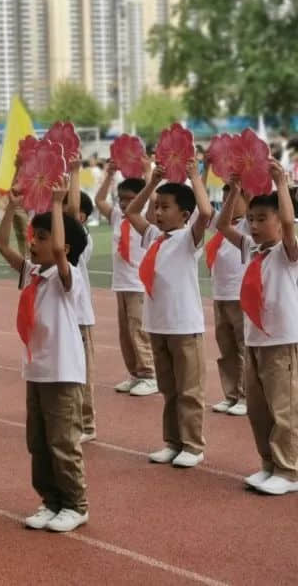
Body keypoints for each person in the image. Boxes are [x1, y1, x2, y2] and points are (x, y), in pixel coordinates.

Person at [0, 181, 89, 533]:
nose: (33, 242)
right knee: (38, 442)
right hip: (36, 371)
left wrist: (56, 204)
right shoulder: (33, 274)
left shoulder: (69, 278)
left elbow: (63, 256)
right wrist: (10, 209)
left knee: (63, 442)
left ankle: (76, 504)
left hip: (62, 373)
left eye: (42, 238)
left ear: (63, 245)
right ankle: (50, 500)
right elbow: (3, 244)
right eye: (34, 237)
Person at [125, 159, 212, 469]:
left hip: (184, 325)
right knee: (169, 389)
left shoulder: (189, 240)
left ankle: (193, 444)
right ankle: (173, 441)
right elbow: (132, 213)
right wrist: (151, 184)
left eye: (165, 207)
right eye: (157, 207)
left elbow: (206, 213)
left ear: (184, 215)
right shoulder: (153, 238)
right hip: (158, 325)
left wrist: (194, 178)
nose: (158, 213)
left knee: (189, 389)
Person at [217, 165, 298, 495]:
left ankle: (290, 469)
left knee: (284, 407)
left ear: (278, 220)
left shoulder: (287, 252)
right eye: (251, 219)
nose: (254, 225)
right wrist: (235, 190)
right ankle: (269, 463)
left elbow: (290, 225)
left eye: (262, 218)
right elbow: (222, 225)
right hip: (254, 339)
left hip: (281, 340)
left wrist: (281, 185)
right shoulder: (251, 248)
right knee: (258, 408)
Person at [95, 162, 157, 396]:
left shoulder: (147, 217)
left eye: (130, 198)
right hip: (121, 283)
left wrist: (150, 175)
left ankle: (149, 374)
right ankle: (134, 373)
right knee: (125, 332)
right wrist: (110, 174)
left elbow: (152, 200)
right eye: (121, 198)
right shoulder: (118, 217)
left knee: (138, 329)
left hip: (138, 284)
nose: (123, 203)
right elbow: (100, 202)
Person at [206, 183, 249, 416]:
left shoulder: (248, 226)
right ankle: (231, 394)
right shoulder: (220, 226)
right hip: (220, 295)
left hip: (240, 296)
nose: (228, 205)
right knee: (227, 349)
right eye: (225, 200)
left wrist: (241, 186)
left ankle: (246, 395)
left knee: (244, 348)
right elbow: (202, 204)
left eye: (233, 198)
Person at [65, 180, 98, 443]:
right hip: (61, 318)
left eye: (64, 204)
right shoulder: (53, 237)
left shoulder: (80, 239)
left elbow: (72, 211)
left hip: (79, 317)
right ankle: (71, 418)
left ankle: (86, 424)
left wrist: (75, 172)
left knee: (83, 371)